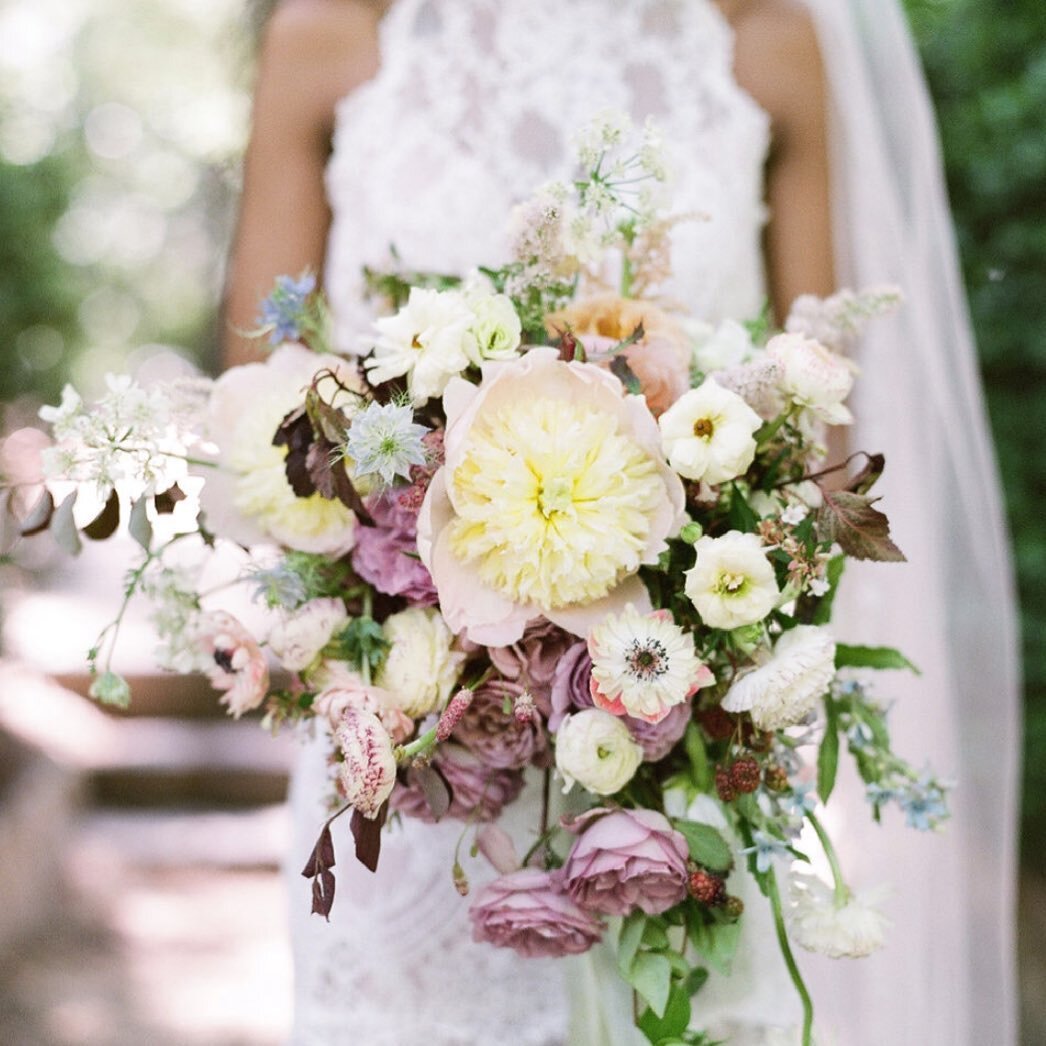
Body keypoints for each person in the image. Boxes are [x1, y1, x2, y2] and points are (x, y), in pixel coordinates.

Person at [222, 1, 1020, 1043]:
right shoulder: (329, 37)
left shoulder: (764, 43)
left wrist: (710, 598)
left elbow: (821, 423)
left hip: (685, 772)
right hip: (408, 776)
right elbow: (259, 409)